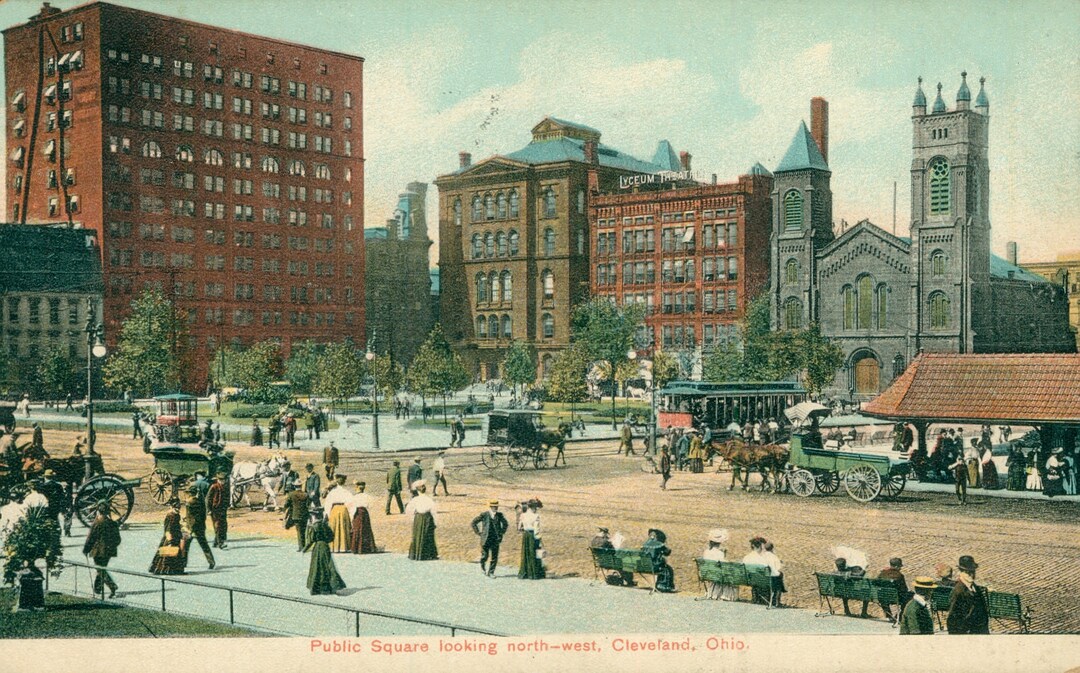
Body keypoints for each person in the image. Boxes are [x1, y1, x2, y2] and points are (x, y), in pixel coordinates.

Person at [82, 502, 121, 598]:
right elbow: (118, 539)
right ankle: (98, 588)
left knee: (100, 570)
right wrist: (111, 546)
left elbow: (91, 538)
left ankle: (112, 586)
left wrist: (86, 549)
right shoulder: (113, 523)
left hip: (98, 551)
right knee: (101, 568)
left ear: (99, 511)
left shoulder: (97, 522)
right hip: (109, 551)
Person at [947, 555, 990, 634]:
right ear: (961, 572)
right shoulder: (958, 591)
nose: (971, 574)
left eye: (972, 571)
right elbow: (953, 618)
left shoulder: (975, 588)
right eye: (967, 572)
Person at [304, 517, 345, 596]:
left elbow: (311, 540)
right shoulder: (326, 526)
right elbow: (331, 537)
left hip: (318, 548)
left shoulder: (314, 527)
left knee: (317, 567)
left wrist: (305, 549)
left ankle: (317, 588)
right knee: (328, 566)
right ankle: (331, 586)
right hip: (325, 547)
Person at [471, 500, 509, 577]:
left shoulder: (499, 515)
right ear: (490, 507)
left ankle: (491, 572)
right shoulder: (484, 515)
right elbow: (473, 522)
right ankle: (482, 566)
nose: (495, 508)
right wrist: (478, 533)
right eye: (494, 506)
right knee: (485, 555)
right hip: (486, 538)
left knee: (494, 556)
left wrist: (501, 532)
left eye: (496, 506)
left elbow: (505, 524)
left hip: (495, 538)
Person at [149, 500, 187, 575]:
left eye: (179, 507)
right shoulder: (170, 516)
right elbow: (168, 529)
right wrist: (169, 541)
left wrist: (181, 526)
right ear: (172, 507)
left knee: (174, 553)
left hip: (176, 536)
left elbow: (175, 525)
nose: (178, 509)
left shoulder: (176, 515)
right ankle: (167, 570)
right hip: (171, 537)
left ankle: (174, 570)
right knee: (169, 554)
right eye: (176, 507)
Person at [183, 484, 215, 569]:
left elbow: (193, 518)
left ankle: (183, 562)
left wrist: (191, 529)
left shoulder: (190, 503)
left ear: (190, 493)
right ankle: (211, 562)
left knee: (185, 546)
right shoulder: (199, 501)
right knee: (204, 545)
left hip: (192, 528)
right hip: (200, 527)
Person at [405, 482, 438, 560]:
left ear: (417, 491)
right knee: (428, 536)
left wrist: (413, 518)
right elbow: (434, 512)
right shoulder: (429, 500)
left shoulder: (415, 500)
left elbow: (408, 510)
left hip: (418, 518)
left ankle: (416, 553)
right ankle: (428, 554)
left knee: (417, 536)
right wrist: (436, 522)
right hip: (428, 518)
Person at [702, 529, 737, 600]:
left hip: (708, 574)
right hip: (717, 575)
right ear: (720, 542)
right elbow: (724, 565)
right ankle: (725, 595)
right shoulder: (720, 553)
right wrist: (724, 555)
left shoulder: (706, 552)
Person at [323, 474, 352, 553]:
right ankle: (344, 547)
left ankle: (335, 547)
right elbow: (350, 503)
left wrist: (327, 514)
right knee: (343, 528)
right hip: (343, 510)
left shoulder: (332, 492)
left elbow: (328, 504)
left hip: (334, 511)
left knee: (334, 528)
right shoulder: (346, 491)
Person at [517, 498, 545, 579]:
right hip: (533, 536)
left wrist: (523, 530)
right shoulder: (536, 516)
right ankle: (534, 573)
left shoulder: (523, 515)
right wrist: (539, 538)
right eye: (535, 508)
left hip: (525, 535)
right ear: (533, 507)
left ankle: (525, 572)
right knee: (534, 553)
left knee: (526, 553)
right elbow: (536, 529)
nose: (536, 509)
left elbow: (519, 527)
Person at [876, 557, 910, 621]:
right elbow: (904, 589)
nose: (900, 568)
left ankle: (889, 615)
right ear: (897, 566)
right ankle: (899, 616)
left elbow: (876, 583)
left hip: (882, 597)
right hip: (896, 598)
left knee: (884, 595)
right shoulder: (900, 576)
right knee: (909, 597)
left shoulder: (882, 573)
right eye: (900, 566)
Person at [642, 528, 675, 593]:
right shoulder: (659, 544)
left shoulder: (645, 544)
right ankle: (663, 586)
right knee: (667, 569)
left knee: (663, 565)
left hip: (643, 566)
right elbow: (667, 552)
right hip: (654, 566)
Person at [347, 481, 377, 554]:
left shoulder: (354, 497)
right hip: (365, 513)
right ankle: (367, 548)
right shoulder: (367, 496)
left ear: (357, 488)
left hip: (357, 513)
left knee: (357, 529)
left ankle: (356, 548)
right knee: (366, 529)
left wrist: (352, 517)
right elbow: (370, 505)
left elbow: (352, 507)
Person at [282, 481, 309, 551]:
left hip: (296, 515)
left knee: (299, 531)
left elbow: (286, 504)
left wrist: (284, 509)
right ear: (301, 486)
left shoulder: (291, 494)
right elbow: (308, 504)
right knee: (304, 530)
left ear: (295, 486)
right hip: (305, 515)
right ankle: (304, 545)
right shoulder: (305, 494)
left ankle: (301, 547)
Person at [207, 472, 229, 549]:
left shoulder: (225, 487)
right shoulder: (214, 487)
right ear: (218, 480)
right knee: (218, 526)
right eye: (221, 480)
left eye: (224, 480)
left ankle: (215, 542)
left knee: (223, 525)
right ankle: (221, 543)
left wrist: (227, 506)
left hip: (223, 509)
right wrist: (209, 510)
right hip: (215, 510)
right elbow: (208, 499)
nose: (222, 481)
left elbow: (227, 497)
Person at [761, 541, 785, 606]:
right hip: (772, 578)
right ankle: (777, 602)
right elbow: (778, 568)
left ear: (765, 549)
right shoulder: (774, 557)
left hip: (762, 578)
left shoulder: (761, 556)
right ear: (772, 548)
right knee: (780, 576)